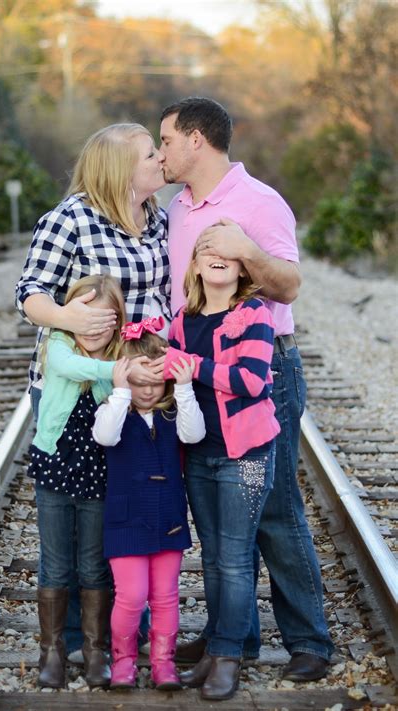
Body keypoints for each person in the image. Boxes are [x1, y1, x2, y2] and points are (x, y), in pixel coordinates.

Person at [159, 96, 334, 682]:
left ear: (195, 140)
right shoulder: (177, 208)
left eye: (165, 141)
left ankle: (309, 639)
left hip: (262, 374)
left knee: (276, 510)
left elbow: (289, 285)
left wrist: (246, 251)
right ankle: (232, 639)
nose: (161, 153)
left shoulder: (260, 202)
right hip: (199, 380)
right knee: (217, 522)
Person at [15, 123, 168, 664]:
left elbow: (163, 297)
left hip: (143, 387)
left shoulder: (159, 219)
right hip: (78, 386)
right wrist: (67, 315)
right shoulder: (69, 219)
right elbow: (30, 293)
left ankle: (125, 633)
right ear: (121, 168)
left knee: (126, 507)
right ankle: (75, 642)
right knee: (76, 514)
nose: (161, 158)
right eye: (151, 153)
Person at [161, 243, 279, 700]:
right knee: (212, 556)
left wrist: (193, 367)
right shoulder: (180, 320)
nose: (217, 256)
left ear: (240, 266)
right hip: (200, 456)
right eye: (206, 249)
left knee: (234, 557)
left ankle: (229, 656)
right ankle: (215, 649)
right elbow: (172, 379)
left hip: (247, 455)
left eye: (227, 251)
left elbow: (251, 380)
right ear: (193, 264)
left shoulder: (254, 315)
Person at [92, 316, 205, 691]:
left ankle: (163, 663)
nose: (148, 390)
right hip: (125, 522)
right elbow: (105, 438)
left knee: (165, 596)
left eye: (157, 381)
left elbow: (195, 434)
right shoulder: (113, 410)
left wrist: (185, 387)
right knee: (131, 596)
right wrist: (120, 390)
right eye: (140, 382)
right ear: (126, 379)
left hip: (168, 520)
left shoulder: (174, 410)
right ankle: (123, 660)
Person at [27, 274, 126, 689]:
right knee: (55, 562)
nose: (94, 331)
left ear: (118, 325)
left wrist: (117, 371)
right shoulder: (59, 345)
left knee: (92, 564)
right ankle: (51, 652)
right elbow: (67, 368)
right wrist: (115, 369)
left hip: (99, 475)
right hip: (54, 467)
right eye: (87, 321)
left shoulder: (117, 356)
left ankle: (94, 650)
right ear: (71, 318)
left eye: (105, 324)